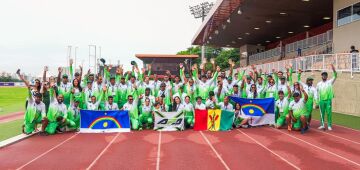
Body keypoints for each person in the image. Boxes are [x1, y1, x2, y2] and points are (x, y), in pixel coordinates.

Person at [316, 64, 337, 131]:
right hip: (321, 101)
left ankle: (329, 125)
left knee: (328, 113)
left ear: (327, 76)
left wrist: (333, 69)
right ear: (321, 76)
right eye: (323, 75)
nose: (324, 76)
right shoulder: (319, 84)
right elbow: (316, 92)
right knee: (322, 113)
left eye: (325, 75)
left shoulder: (330, 82)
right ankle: (322, 125)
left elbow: (335, 75)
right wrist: (317, 101)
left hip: (328, 100)